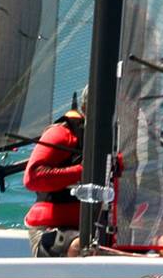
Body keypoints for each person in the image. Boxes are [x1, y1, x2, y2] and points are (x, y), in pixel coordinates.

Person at [22, 105, 120, 257]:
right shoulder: (62, 133)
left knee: (157, 241)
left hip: (103, 228)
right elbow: (32, 178)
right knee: (81, 246)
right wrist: (86, 171)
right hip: (52, 231)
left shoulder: (121, 140)